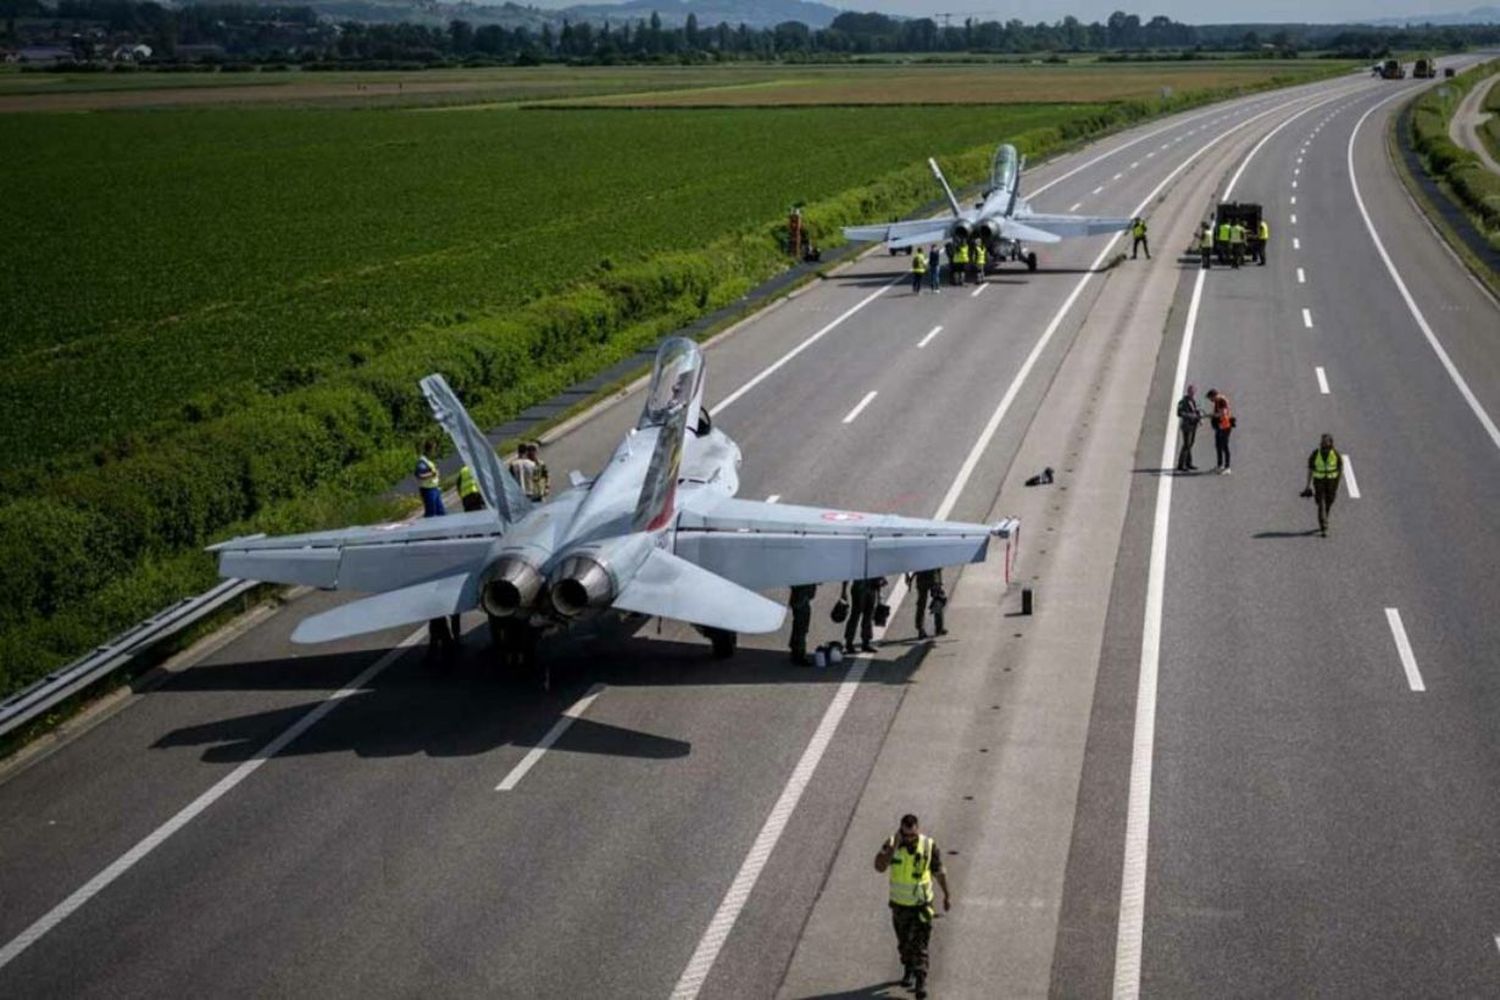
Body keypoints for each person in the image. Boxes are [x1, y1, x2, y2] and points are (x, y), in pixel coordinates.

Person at [874, 814, 952, 1000]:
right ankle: (908, 967)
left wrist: (947, 895)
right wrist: (892, 849)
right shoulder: (892, 844)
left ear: (918, 830)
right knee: (904, 943)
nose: (909, 839)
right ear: (900, 831)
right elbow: (879, 866)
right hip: (900, 906)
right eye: (905, 835)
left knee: (921, 945)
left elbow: (939, 871)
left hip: (921, 904)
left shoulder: (928, 845)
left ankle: (921, 982)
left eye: (912, 835)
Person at [1304, 433, 1342, 537]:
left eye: (1327, 441)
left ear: (1331, 443)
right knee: (1321, 502)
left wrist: (1337, 483)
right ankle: (1324, 526)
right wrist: (1308, 485)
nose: (1324, 443)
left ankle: (1325, 517)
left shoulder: (1335, 454)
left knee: (1329, 501)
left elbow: (1340, 469)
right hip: (1319, 481)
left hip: (1332, 482)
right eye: (1323, 441)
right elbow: (1310, 469)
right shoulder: (1316, 454)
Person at [843, 577, 884, 654]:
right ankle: (849, 643)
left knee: (868, 616)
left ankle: (865, 642)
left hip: (871, 587)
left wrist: (879, 591)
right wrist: (843, 591)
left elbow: (878, 573)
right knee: (855, 616)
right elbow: (847, 573)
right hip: (859, 588)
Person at [911, 568, 947, 640]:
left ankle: (920, 629)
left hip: (921, 576)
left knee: (921, 604)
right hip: (933, 576)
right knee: (938, 599)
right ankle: (939, 627)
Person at [788, 583, 817, 666]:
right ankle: (800, 654)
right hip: (802, 600)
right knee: (802, 628)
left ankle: (795, 649)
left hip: (799, 599)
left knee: (798, 626)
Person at [1205, 389, 1233, 474]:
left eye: (1211, 398)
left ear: (1214, 396)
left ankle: (1227, 467)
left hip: (1225, 426)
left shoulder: (1221, 401)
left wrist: (1211, 415)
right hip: (1220, 426)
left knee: (1224, 446)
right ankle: (1220, 465)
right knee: (1218, 446)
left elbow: (1223, 413)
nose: (1211, 400)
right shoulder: (1217, 402)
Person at [1175, 385, 1202, 472]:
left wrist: (1199, 418)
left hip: (1193, 425)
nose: (1192, 393)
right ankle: (1181, 464)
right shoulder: (1183, 402)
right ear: (1188, 392)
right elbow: (1179, 413)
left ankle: (1188, 463)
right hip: (1187, 426)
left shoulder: (1193, 401)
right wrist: (1190, 416)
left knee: (1190, 444)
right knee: (1186, 444)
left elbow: (1196, 411)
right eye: (1191, 391)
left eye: (1193, 392)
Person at [415, 441, 444, 518]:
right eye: (434, 449)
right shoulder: (422, 461)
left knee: (441, 512)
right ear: (430, 450)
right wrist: (432, 474)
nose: (435, 452)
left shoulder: (429, 461)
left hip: (434, 488)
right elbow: (419, 475)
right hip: (428, 490)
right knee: (431, 514)